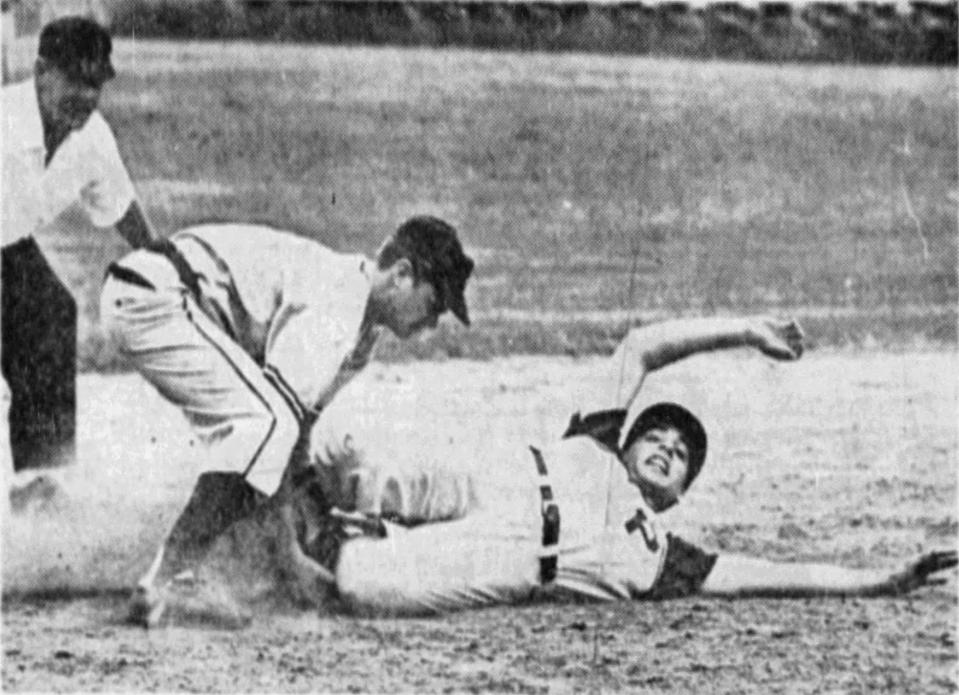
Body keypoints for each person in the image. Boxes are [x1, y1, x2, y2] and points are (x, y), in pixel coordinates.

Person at [306, 314, 954, 616]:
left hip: (511, 560)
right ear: (626, 439)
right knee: (353, 451)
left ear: (675, 495)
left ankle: (290, 544)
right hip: (498, 474)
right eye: (658, 433)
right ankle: (273, 483)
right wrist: (746, 332)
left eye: (681, 455)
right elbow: (640, 347)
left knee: (363, 582)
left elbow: (772, 573)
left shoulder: (662, 554)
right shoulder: (594, 440)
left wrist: (875, 581)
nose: (669, 445)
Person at [100, 215, 474, 624]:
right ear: (402, 274)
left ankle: (216, 566)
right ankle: (167, 582)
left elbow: (295, 441)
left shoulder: (361, 334)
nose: (434, 322)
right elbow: (278, 425)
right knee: (264, 424)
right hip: (155, 299)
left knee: (267, 428)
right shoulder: (340, 303)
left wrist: (304, 535)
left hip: (163, 301)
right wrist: (289, 556)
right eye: (434, 303)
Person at [2, 16, 159, 473]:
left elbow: (122, 207)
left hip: (6, 242)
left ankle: (43, 477)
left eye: (95, 84)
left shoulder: (91, 137)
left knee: (49, 314)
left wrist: (164, 264)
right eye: (75, 79)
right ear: (40, 72)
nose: (87, 97)